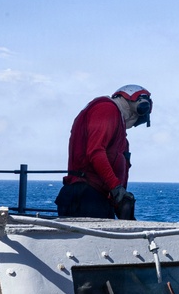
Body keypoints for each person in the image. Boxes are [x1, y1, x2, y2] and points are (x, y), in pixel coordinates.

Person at [55, 85, 152, 219]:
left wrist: (119, 200)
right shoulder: (107, 109)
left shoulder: (117, 129)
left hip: (97, 197)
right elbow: (95, 152)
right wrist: (116, 189)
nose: (134, 122)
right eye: (136, 118)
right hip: (87, 196)